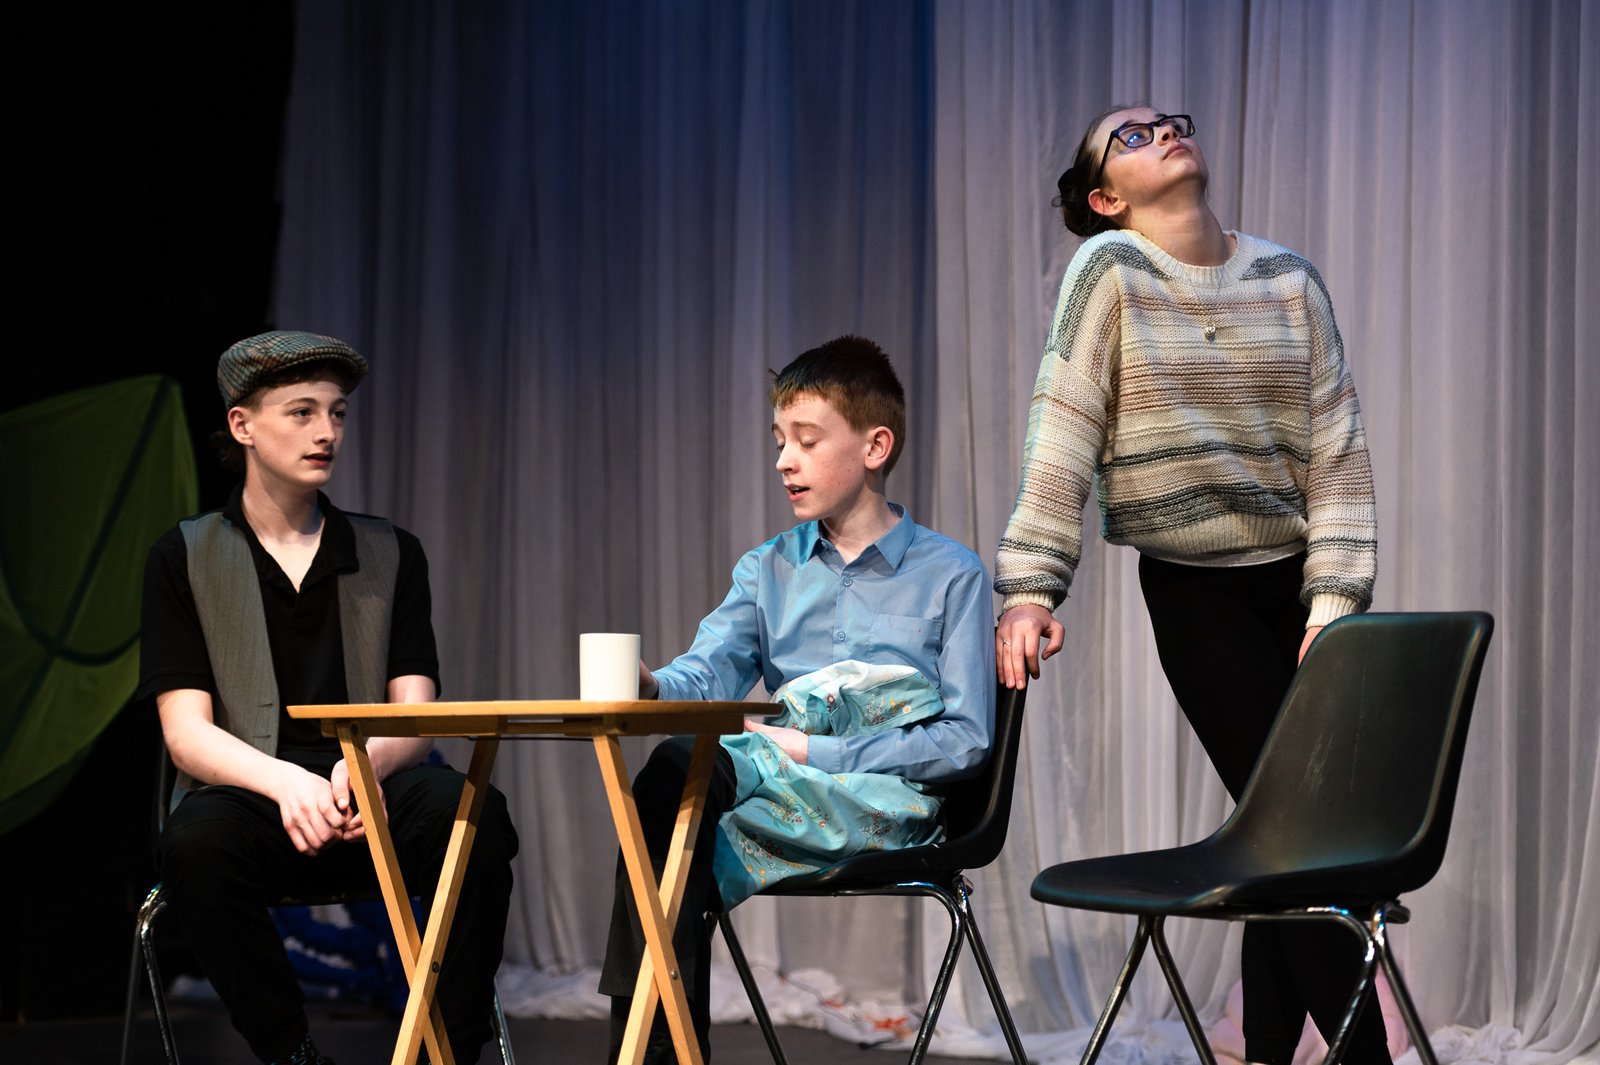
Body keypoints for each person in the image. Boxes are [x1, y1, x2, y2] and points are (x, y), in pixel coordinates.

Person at [993, 108, 1385, 1065]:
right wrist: (1032, 583)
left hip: (1299, 592)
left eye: (1170, 122)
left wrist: (1335, 601)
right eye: (1131, 138)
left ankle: (1265, 1053)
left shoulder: (1288, 277)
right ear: (1105, 199)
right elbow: (1064, 419)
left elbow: (1337, 448)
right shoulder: (1111, 270)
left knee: (1286, 834)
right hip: (1197, 595)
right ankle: (1365, 1056)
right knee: (1298, 830)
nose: (1163, 132)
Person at [598, 335, 995, 1063]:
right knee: (670, 796)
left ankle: (651, 1052)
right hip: (778, 784)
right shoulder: (767, 568)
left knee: (672, 824)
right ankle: (661, 1049)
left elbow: (966, 740)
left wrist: (820, 749)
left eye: (806, 441)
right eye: (779, 440)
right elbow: (707, 676)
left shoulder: (951, 574)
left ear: (875, 446)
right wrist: (650, 685)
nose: (784, 459)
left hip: (884, 800)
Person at [139, 330, 518, 1065]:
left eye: (337, 413)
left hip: (371, 787)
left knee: (474, 815)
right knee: (195, 844)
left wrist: (365, 769)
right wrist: (288, 782)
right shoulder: (185, 555)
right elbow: (186, 733)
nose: (327, 432)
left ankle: (446, 1048)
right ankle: (293, 1052)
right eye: (302, 412)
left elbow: (415, 712)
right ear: (243, 425)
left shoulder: (389, 551)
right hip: (253, 793)